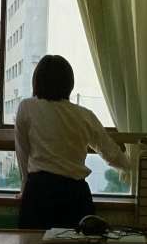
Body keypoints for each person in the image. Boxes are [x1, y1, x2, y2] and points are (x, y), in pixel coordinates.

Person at [15, 54, 130, 231]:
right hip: (75, 194)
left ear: (36, 81)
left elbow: (22, 153)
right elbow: (112, 154)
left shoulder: (26, 107)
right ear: (69, 83)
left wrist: (24, 188)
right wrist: (132, 166)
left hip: (39, 192)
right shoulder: (84, 115)